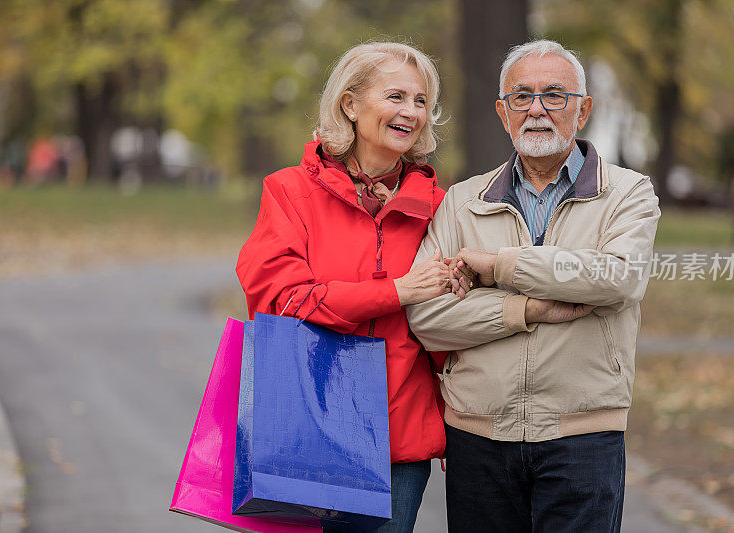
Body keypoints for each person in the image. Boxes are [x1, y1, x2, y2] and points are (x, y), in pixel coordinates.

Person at [405, 39, 661, 532]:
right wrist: (526, 310)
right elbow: (427, 318)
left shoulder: (627, 193)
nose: (537, 110)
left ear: (582, 110)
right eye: (521, 97)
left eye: (554, 95)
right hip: (478, 435)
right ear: (504, 113)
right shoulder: (462, 202)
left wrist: (498, 267)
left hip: (584, 435)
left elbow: (617, 277)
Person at [236, 42, 454, 532]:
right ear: (349, 105)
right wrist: (395, 291)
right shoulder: (289, 191)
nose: (411, 112)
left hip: (398, 436)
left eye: (421, 101)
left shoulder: (442, 207)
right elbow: (279, 298)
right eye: (395, 96)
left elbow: (451, 328)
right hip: (304, 422)